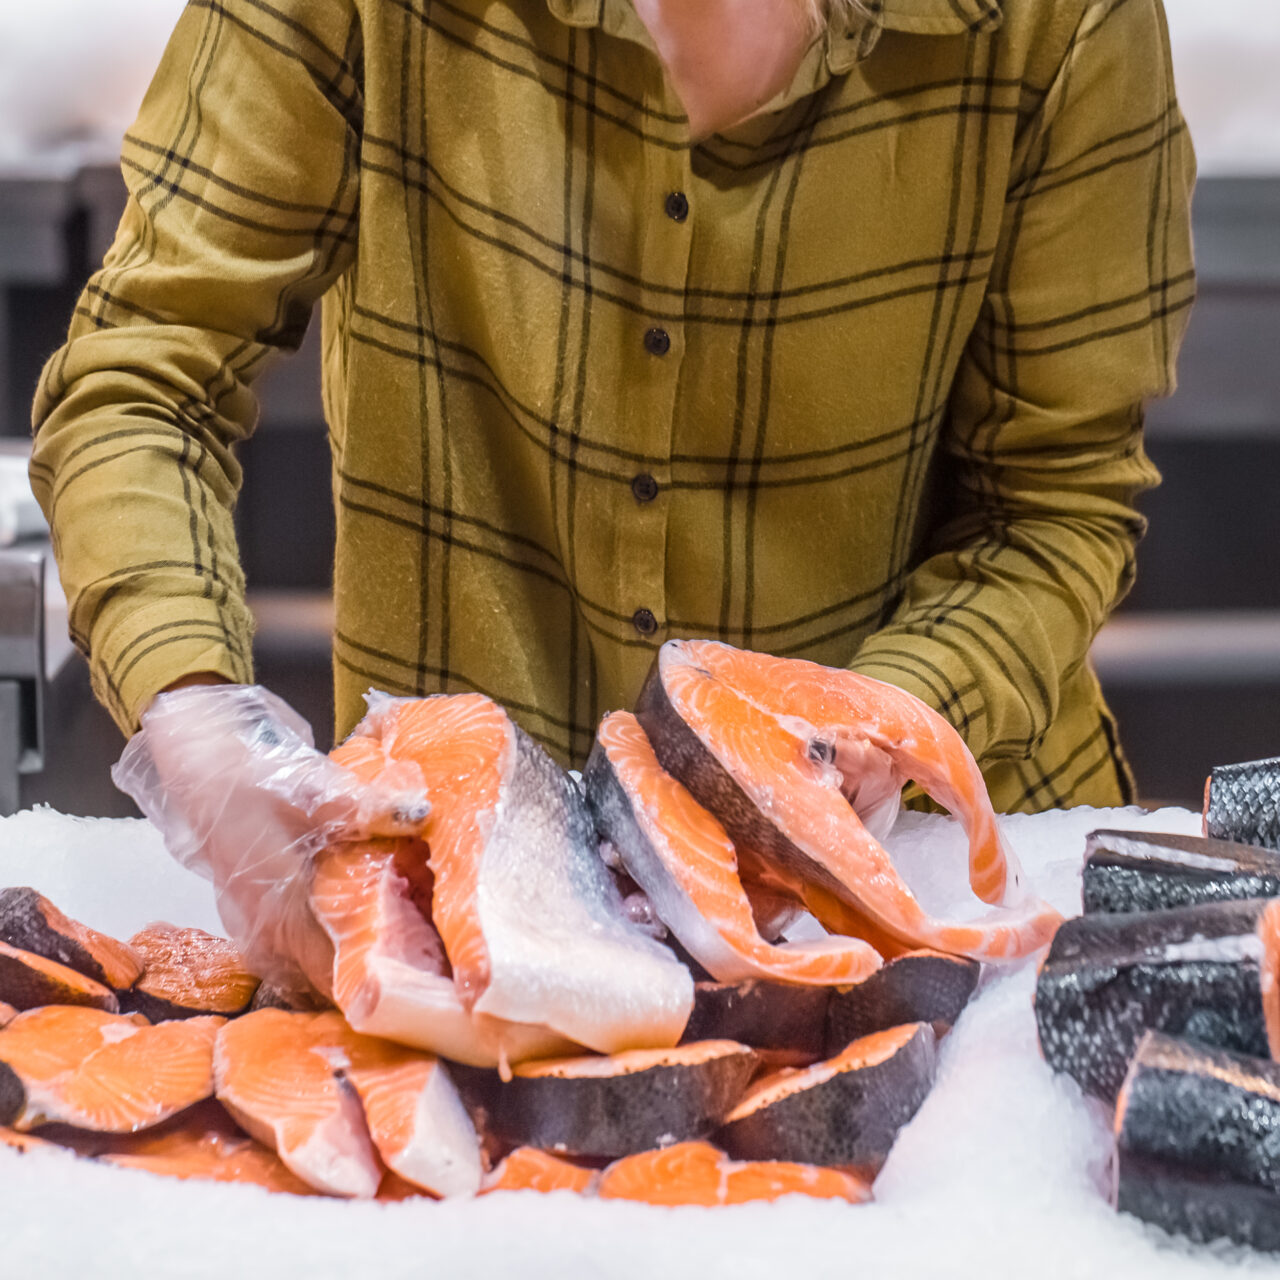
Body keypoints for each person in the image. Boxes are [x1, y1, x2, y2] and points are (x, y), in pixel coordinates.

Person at [30, 0, 1195, 814]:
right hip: (469, 870)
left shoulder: (1067, 20)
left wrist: (883, 723)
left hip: (933, 871)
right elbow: (146, 371)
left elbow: (1050, 508)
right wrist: (193, 716)